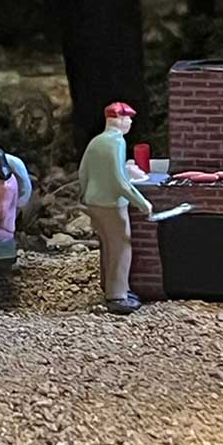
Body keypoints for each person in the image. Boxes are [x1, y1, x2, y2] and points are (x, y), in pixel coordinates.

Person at [77, 101, 153, 316]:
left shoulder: (96, 141)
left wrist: (84, 194)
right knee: (121, 247)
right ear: (118, 119)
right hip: (111, 204)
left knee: (107, 246)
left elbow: (83, 172)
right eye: (128, 118)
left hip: (94, 201)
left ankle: (108, 286)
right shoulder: (117, 142)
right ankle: (118, 295)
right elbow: (120, 182)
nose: (130, 122)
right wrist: (142, 203)